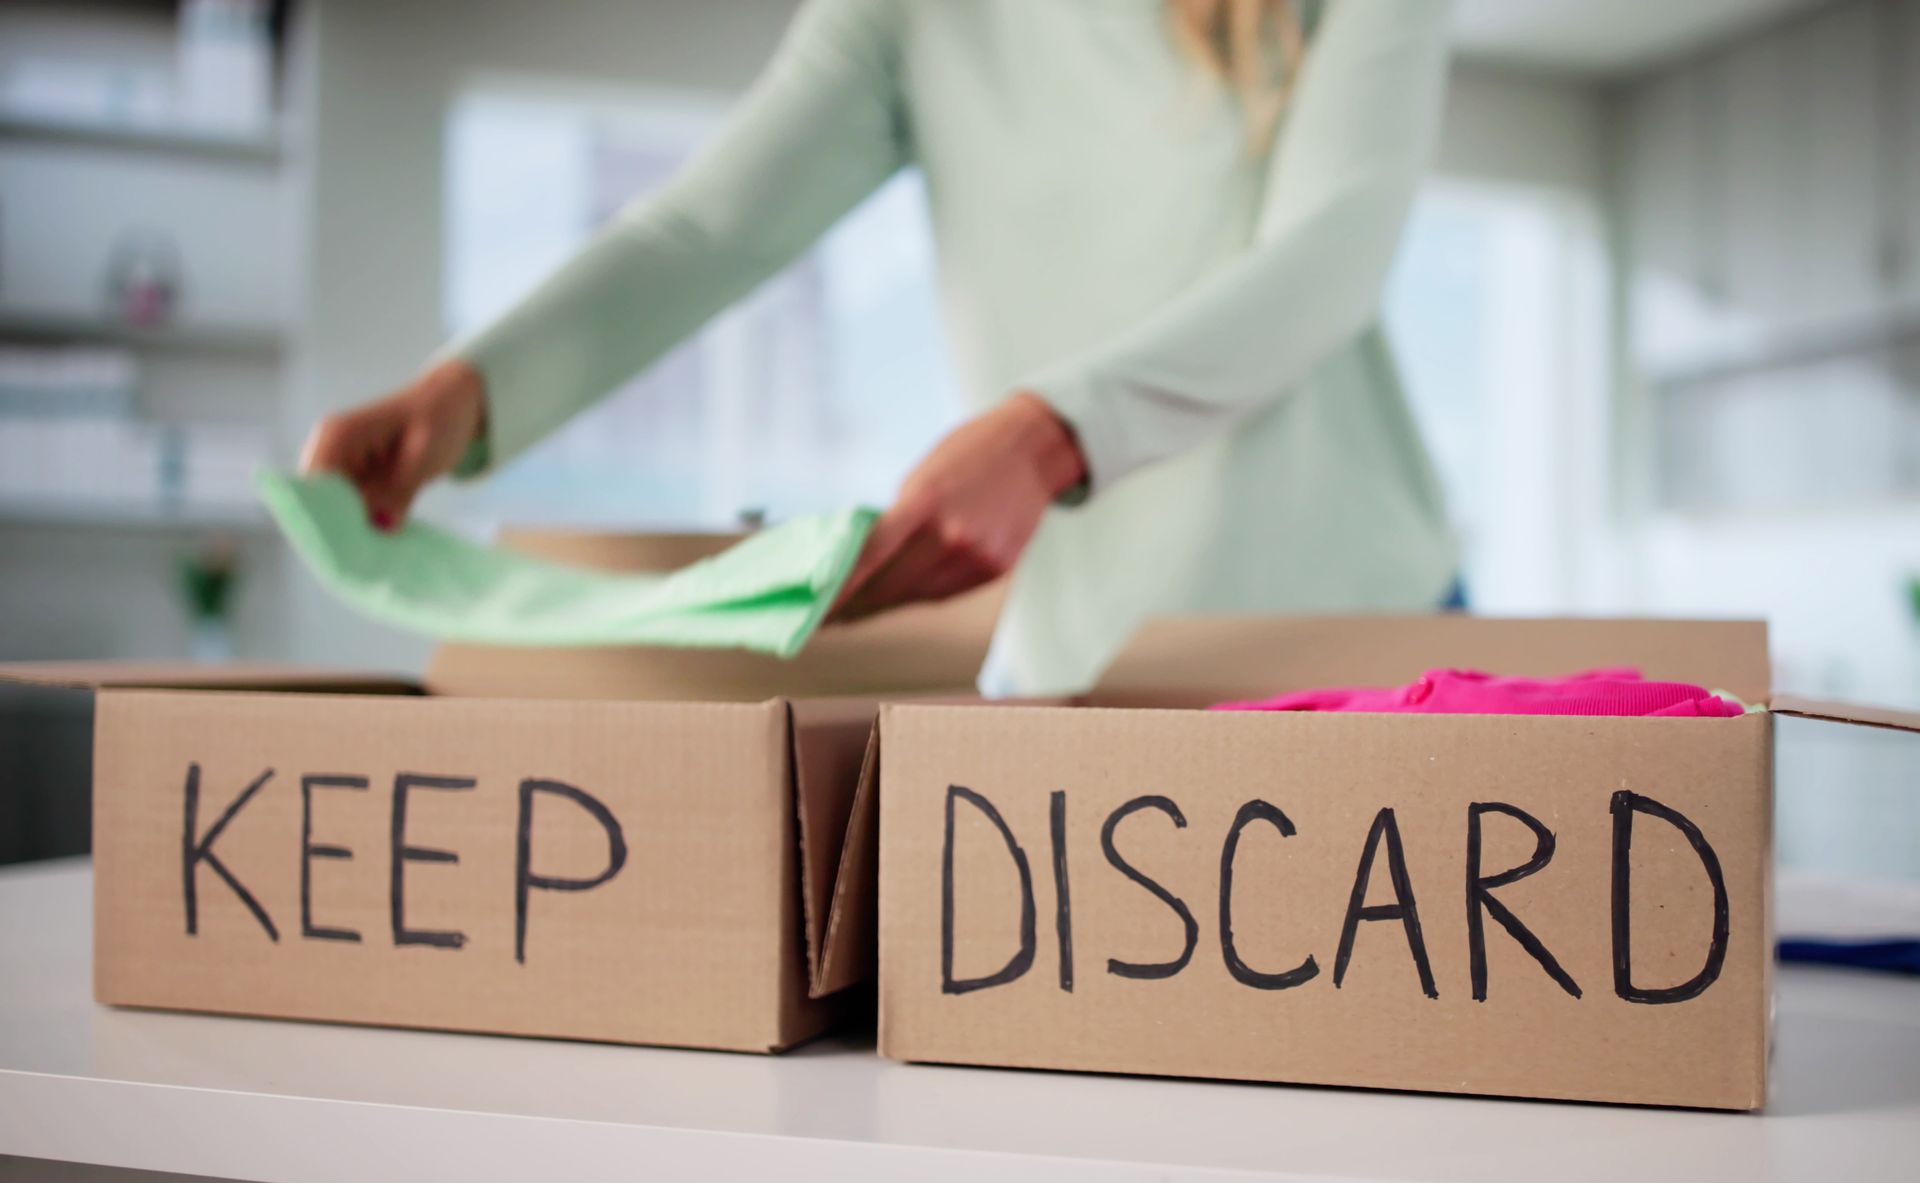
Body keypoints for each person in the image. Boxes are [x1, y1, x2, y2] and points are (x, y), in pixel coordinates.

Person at [300, 0, 1459, 697]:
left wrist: (1051, 434)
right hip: (1093, 656)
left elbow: (1335, 250)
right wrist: (464, 390)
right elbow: (709, 224)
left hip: (1362, 620)